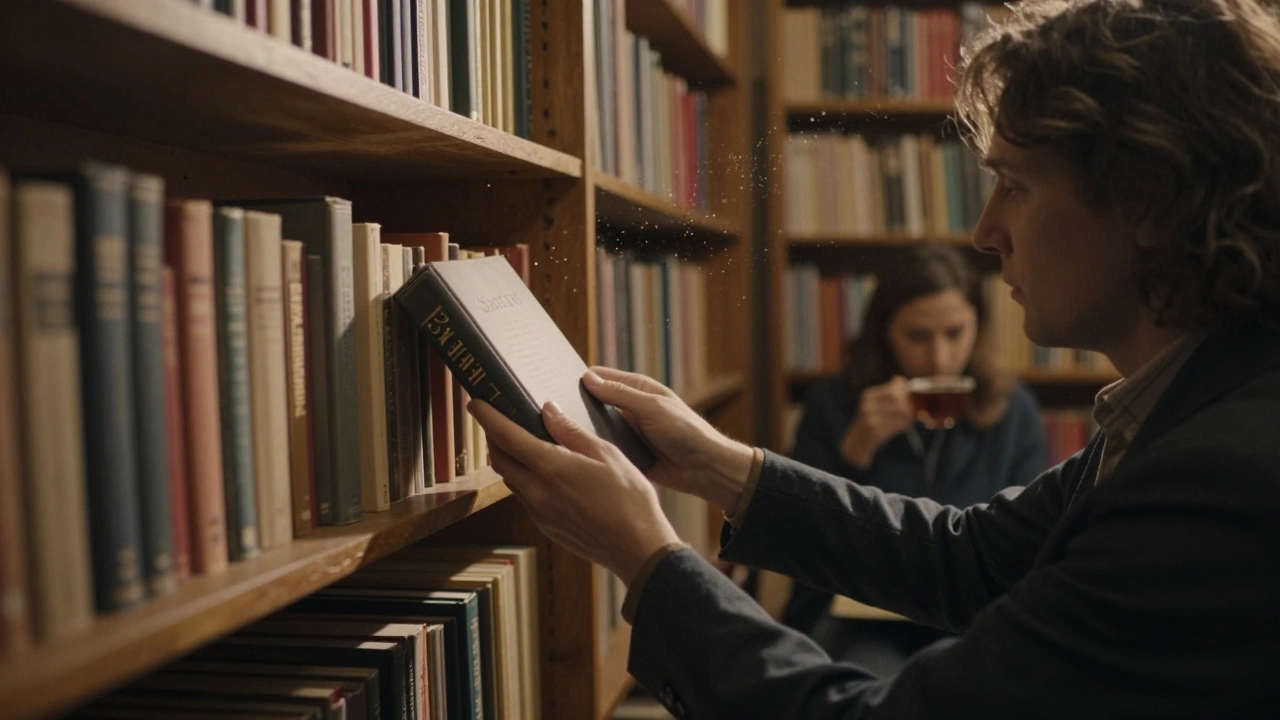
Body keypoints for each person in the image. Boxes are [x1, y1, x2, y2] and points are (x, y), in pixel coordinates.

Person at [469, 0, 1280, 715]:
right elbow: (970, 559)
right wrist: (718, 464)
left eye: (1017, 186)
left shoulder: (1221, 476)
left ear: (1145, 198)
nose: (985, 231)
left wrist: (645, 556)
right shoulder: (1188, 402)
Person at [782, 243, 1048, 674]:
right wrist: (854, 453)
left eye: (955, 333)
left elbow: (1032, 542)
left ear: (978, 327)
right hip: (862, 617)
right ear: (885, 330)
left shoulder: (1013, 410)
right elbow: (795, 539)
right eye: (918, 336)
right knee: (870, 685)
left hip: (972, 619)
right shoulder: (835, 404)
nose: (940, 358)